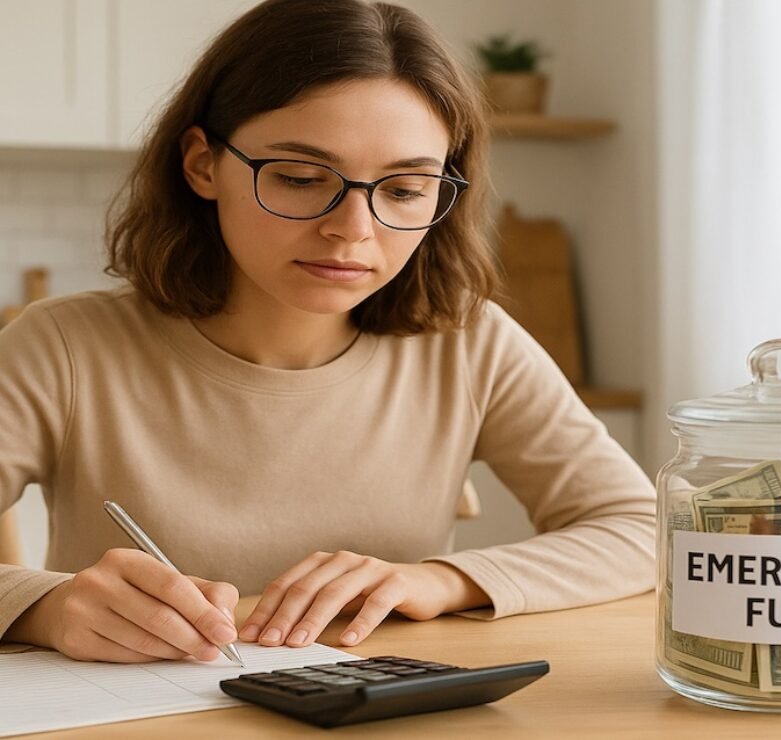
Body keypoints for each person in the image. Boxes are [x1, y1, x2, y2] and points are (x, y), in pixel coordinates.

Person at [0, 0, 655, 664]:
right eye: (300, 178)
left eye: (404, 190)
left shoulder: (469, 342)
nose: (353, 229)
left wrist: (440, 580)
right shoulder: (64, 346)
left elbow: (643, 529)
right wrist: (47, 608)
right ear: (202, 165)